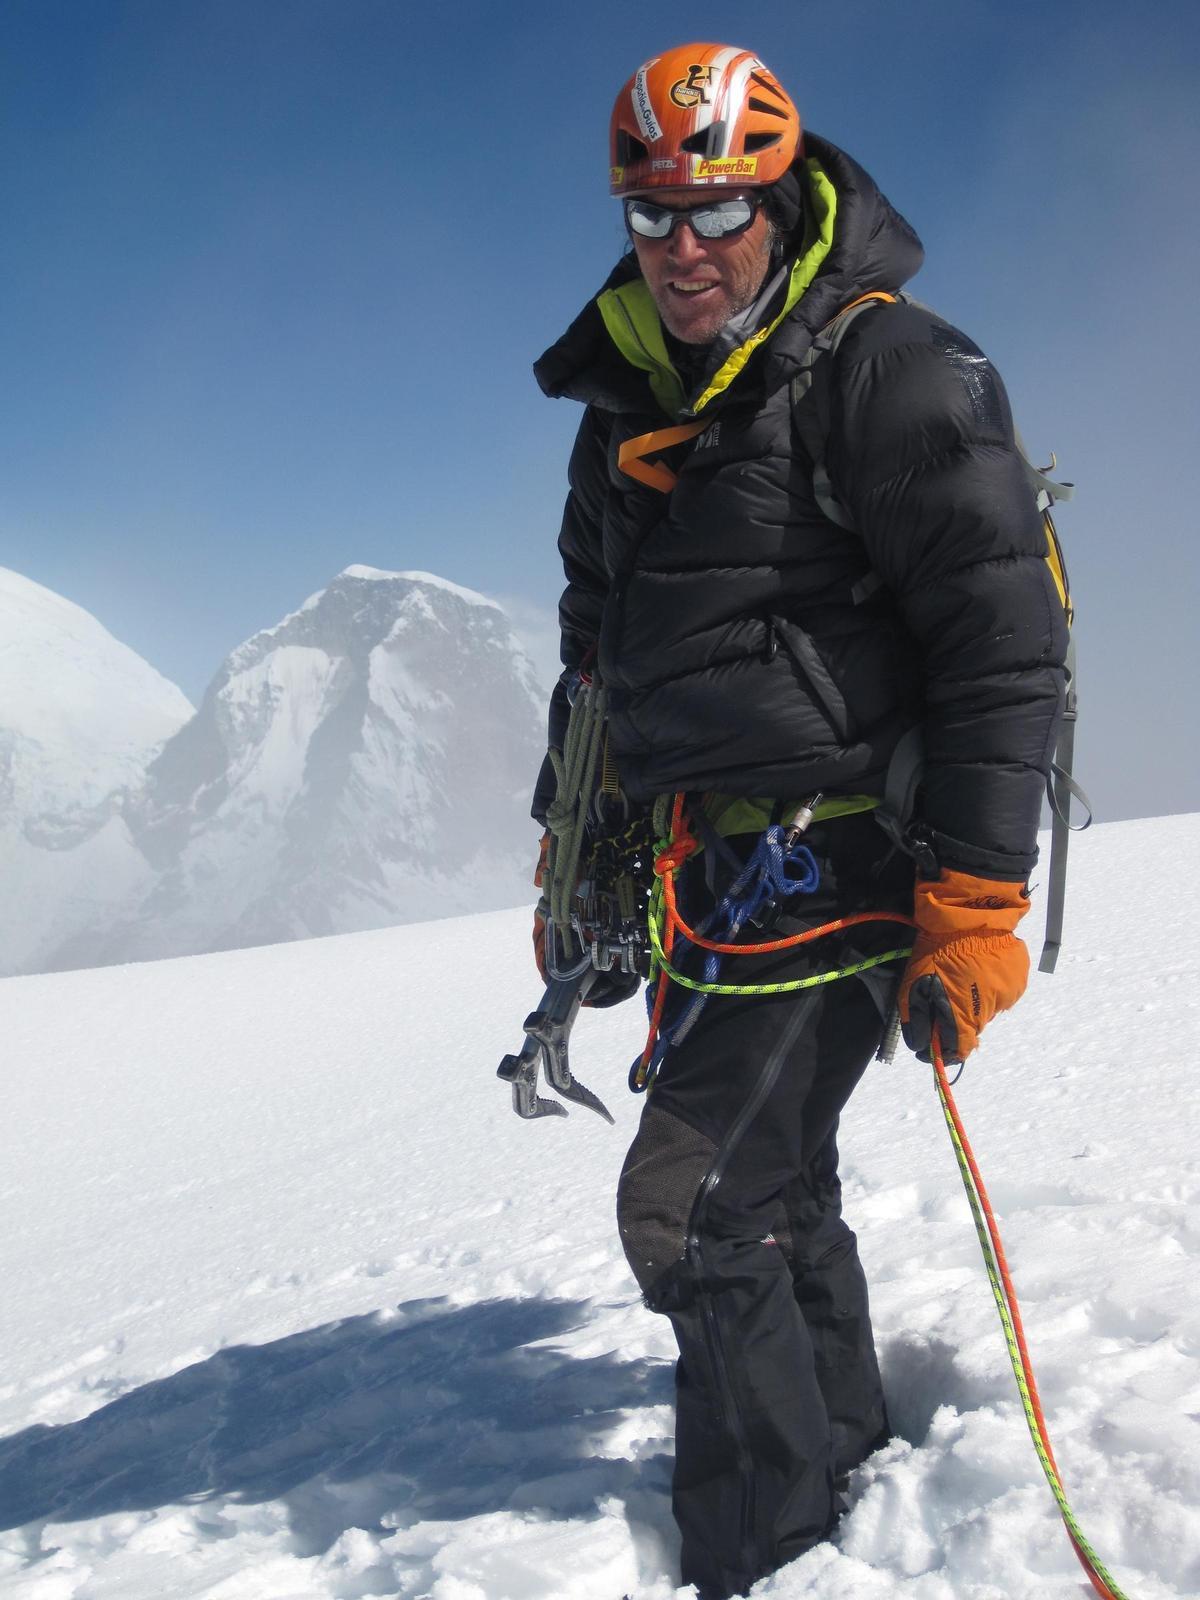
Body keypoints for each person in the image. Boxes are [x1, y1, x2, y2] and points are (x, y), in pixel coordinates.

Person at [529, 42, 1066, 1600]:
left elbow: (997, 641)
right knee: (769, 1190)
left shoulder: (891, 369)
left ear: (777, 195)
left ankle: (762, 1560)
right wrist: (576, 865)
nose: (684, 249)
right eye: (652, 217)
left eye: (716, 210)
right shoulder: (624, 399)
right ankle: (844, 1474)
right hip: (719, 864)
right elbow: (597, 657)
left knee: (689, 1205)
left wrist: (975, 898)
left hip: (850, 851)